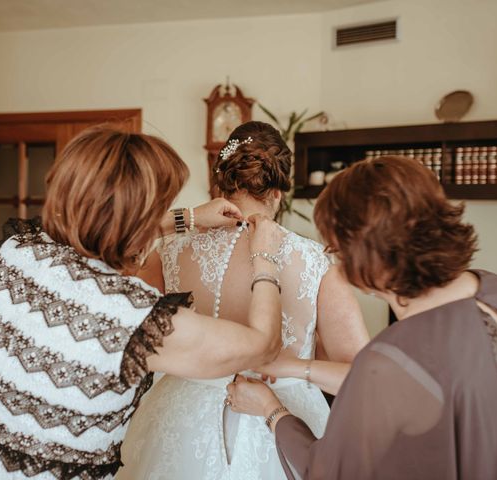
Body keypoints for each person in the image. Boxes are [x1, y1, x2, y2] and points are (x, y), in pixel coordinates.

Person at [0, 126, 286, 479]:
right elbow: (263, 345)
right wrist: (265, 258)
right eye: (160, 206)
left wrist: (188, 218)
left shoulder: (19, 252)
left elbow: (89, 226)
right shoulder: (133, 318)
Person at [228, 155, 497, 480]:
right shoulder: (496, 290)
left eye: (335, 249)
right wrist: (294, 368)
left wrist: (269, 409)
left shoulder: (394, 356)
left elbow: (327, 472)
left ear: (365, 255)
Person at [118, 121, 369, 480]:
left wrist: (184, 219)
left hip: (178, 421)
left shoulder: (170, 250)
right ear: (279, 194)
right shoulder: (315, 262)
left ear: (219, 185)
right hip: (280, 423)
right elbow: (362, 379)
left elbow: (115, 297)